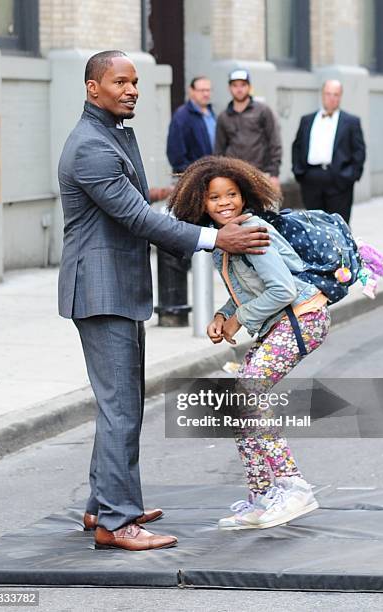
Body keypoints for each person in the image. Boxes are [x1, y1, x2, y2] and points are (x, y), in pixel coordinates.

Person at [57, 50, 271, 551]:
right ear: (93, 89)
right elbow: (136, 218)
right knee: (120, 408)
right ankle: (117, 520)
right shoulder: (91, 144)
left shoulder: (114, 133)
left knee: (122, 402)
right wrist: (215, 239)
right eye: (120, 82)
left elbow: (132, 200)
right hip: (101, 290)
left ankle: (102, 503)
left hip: (119, 287)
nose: (132, 90)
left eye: (135, 82)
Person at [168, 156, 331, 530]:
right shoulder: (227, 241)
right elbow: (248, 290)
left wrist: (239, 319)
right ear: (200, 203)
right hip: (283, 321)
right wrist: (223, 316)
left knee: (249, 390)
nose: (225, 202)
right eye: (214, 198)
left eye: (232, 194)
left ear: (245, 196)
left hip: (303, 317)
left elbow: (282, 289)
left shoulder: (251, 232)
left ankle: (293, 486)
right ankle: (262, 496)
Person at [292, 79, 366, 224]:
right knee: (313, 226)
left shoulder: (351, 122)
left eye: (336, 95)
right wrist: (299, 172)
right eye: (328, 94)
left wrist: (351, 176)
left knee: (339, 226)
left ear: (341, 96)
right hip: (311, 178)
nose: (331, 98)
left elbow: (359, 152)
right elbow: (297, 146)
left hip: (338, 179)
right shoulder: (306, 120)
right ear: (322, 95)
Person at [215, 69, 282, 192]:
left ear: (249, 87)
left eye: (243, 85)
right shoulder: (223, 117)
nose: (239, 89)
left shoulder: (263, 111)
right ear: (229, 88)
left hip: (261, 173)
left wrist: (274, 173)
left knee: (264, 210)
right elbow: (219, 150)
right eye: (235, 85)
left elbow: (274, 141)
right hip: (233, 175)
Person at [166, 76, 216, 173]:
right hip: (195, 176)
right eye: (201, 90)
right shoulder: (181, 116)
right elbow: (176, 155)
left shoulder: (211, 113)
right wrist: (191, 173)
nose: (206, 94)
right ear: (191, 91)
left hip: (212, 173)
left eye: (208, 90)